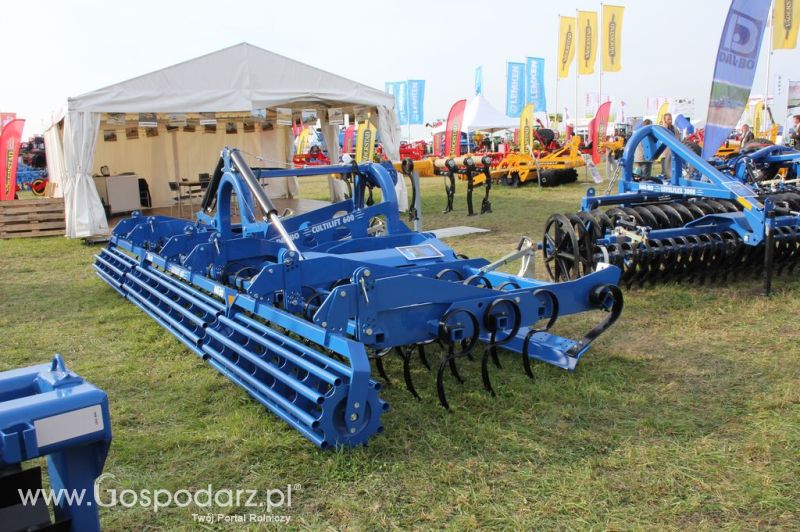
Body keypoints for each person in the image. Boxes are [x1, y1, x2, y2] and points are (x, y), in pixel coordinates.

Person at [660, 113, 680, 178]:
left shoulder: (675, 128)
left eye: (671, 119)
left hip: (673, 153)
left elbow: (678, 138)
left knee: (673, 171)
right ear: (665, 120)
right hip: (665, 154)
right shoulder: (662, 129)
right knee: (665, 172)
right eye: (668, 119)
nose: (670, 121)